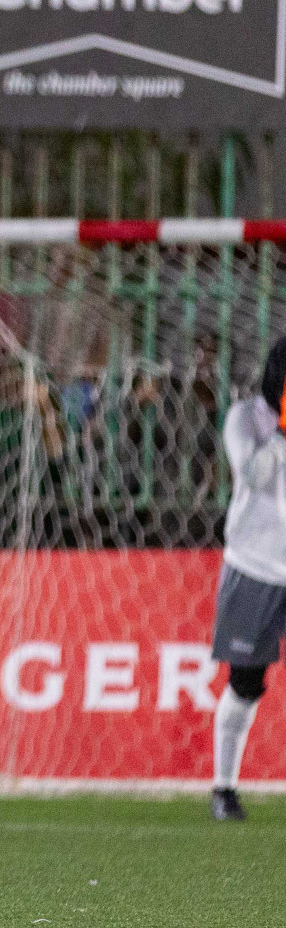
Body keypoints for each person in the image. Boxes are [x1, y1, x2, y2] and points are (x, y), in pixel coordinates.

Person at [208, 335, 286, 822]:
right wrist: (282, 432)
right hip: (255, 568)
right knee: (246, 684)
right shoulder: (244, 418)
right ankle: (224, 788)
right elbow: (253, 478)